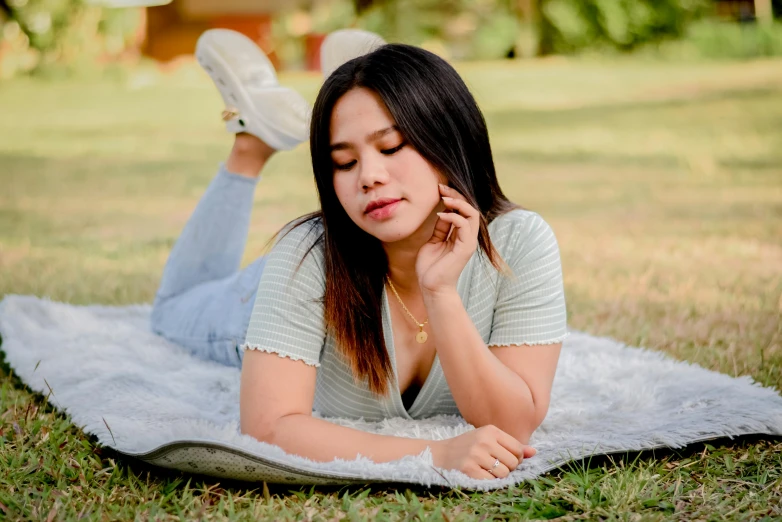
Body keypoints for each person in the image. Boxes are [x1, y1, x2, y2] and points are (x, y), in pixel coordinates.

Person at [150, 28, 568, 480]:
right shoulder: (306, 258)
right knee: (171, 310)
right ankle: (251, 144)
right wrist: (434, 453)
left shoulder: (520, 243)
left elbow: (513, 426)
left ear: (448, 139)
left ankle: (348, 100)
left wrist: (440, 291)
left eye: (390, 147)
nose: (368, 176)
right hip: (275, 297)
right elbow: (267, 426)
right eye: (344, 161)